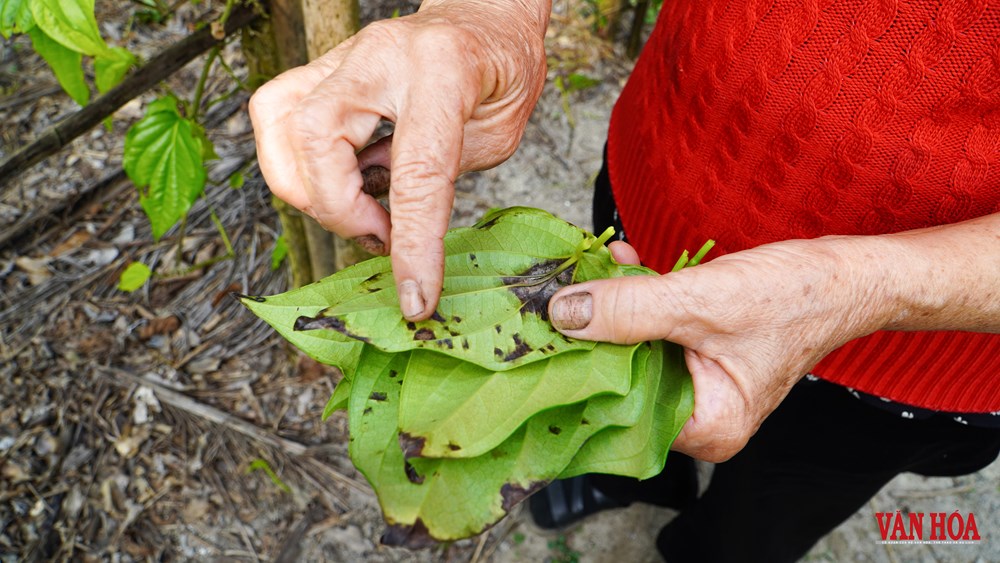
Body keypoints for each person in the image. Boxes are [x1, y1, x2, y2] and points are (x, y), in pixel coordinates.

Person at [248, 0, 1000, 560]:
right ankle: (638, 477)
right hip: (659, 172)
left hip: (908, 347)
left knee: (768, 511)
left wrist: (863, 285)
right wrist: (485, 16)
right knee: (624, 412)